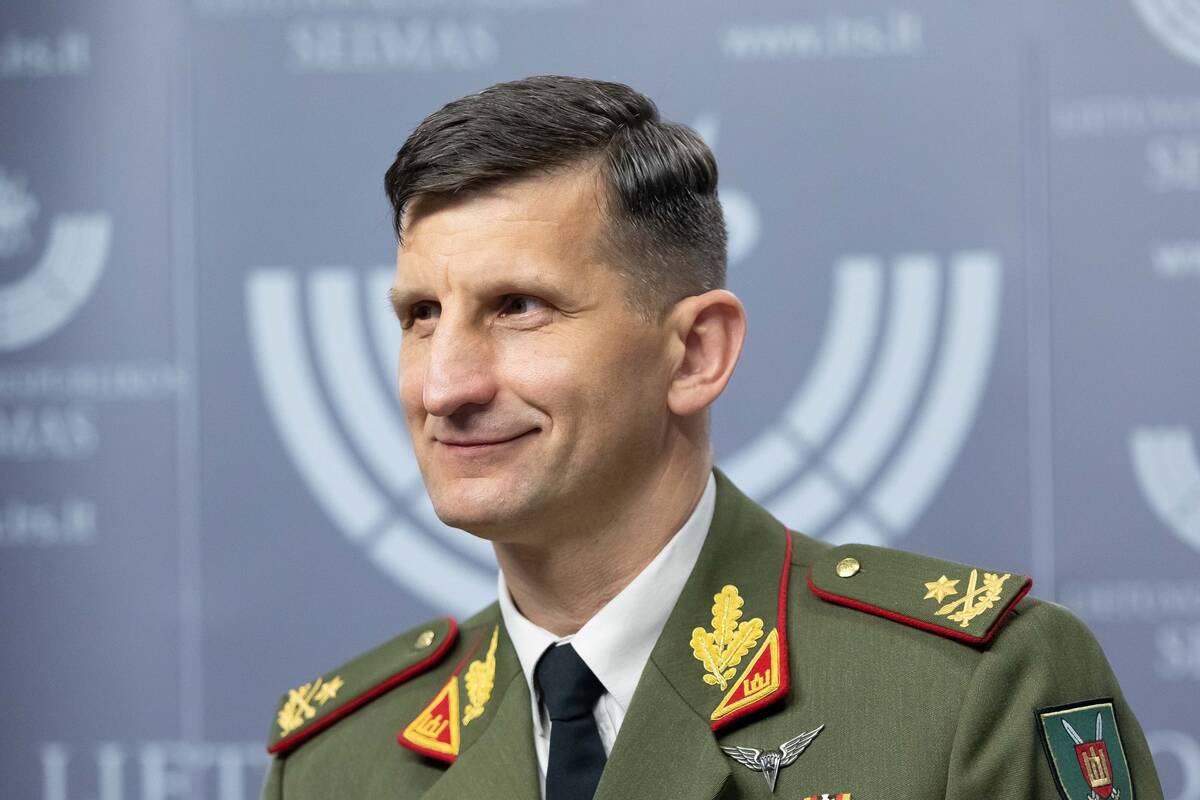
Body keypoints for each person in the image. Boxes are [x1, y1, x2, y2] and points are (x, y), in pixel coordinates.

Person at [259, 75, 1163, 800]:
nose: (445, 386)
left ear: (696, 353)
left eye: (518, 306)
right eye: (420, 315)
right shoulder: (338, 764)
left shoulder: (971, 693)